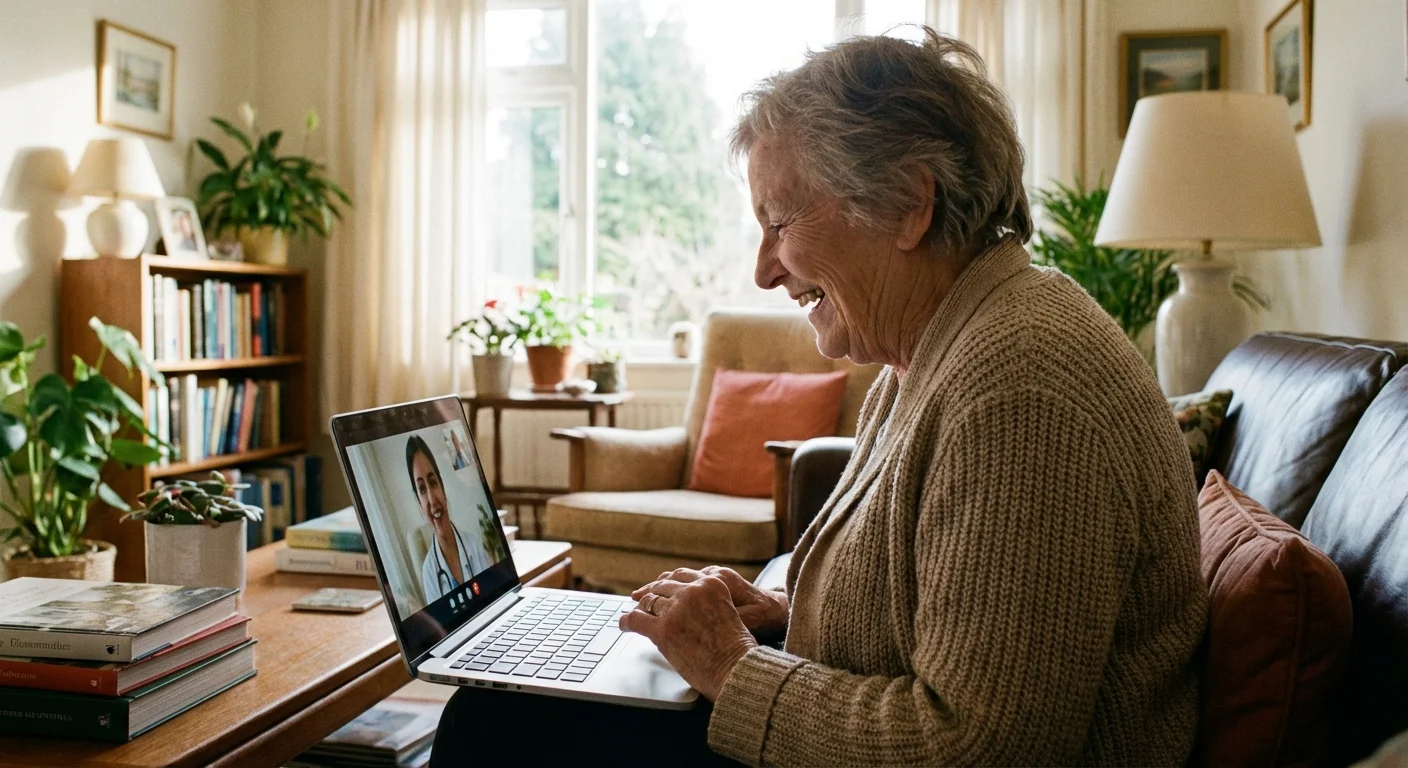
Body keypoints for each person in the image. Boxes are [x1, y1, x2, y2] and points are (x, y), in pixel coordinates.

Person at [432, 28, 1206, 766]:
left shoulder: (1020, 389)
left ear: (909, 202)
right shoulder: (936, 347)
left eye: (779, 221)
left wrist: (734, 667)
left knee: (493, 724)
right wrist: (786, 620)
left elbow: (978, 748)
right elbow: (929, 617)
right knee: (510, 705)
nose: (765, 270)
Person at [407, 435, 492, 605]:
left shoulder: (474, 545)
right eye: (422, 489)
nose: (432, 500)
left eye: (433, 482)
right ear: (418, 502)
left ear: (442, 487)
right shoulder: (429, 572)